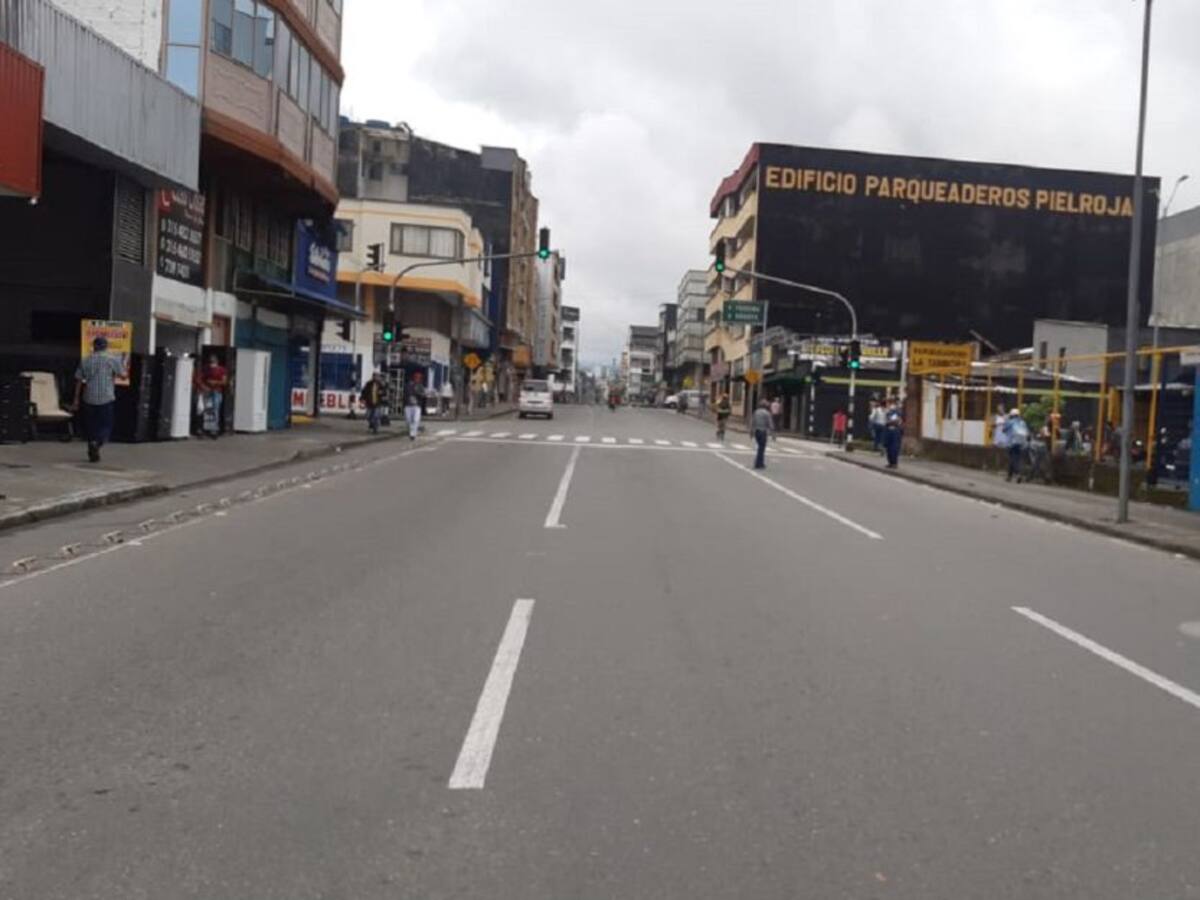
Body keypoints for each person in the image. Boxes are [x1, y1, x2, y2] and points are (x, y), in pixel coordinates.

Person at [71, 336, 126, 463]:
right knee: (106, 425)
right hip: (106, 397)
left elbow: (79, 380)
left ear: (94, 347)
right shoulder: (112, 360)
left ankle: (92, 442)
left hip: (89, 397)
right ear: (106, 346)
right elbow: (123, 375)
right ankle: (97, 443)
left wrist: (76, 399)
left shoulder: (85, 360)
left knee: (91, 425)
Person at [196, 354, 228, 438]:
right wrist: (204, 387)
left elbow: (224, 382)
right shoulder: (205, 369)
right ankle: (204, 428)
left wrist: (215, 382)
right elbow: (199, 379)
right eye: (210, 361)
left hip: (217, 391)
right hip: (207, 391)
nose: (212, 363)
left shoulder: (222, 370)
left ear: (217, 361)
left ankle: (213, 429)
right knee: (206, 409)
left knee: (215, 410)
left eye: (213, 361)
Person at [1001, 408, 1030, 482]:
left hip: (1012, 443)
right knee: (1016, 458)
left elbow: (1003, 430)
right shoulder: (1023, 422)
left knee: (1013, 459)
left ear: (1011, 415)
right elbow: (1027, 432)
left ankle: (1018, 473)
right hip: (1021, 443)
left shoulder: (1010, 422)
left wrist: (1006, 420)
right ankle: (1009, 476)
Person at [751, 399, 773, 469]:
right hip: (763, 432)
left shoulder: (756, 412)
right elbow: (770, 424)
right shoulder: (767, 413)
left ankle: (759, 462)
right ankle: (759, 463)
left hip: (757, 431)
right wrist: (773, 432)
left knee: (759, 447)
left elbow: (753, 422)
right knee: (761, 448)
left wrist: (751, 432)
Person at [403, 371, 425, 440]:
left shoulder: (420, 386)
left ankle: (413, 434)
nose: (417, 379)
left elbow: (423, 395)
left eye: (419, 378)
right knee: (408, 420)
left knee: (415, 420)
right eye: (416, 377)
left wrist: (417, 392)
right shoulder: (408, 385)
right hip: (408, 405)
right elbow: (405, 393)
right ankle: (411, 431)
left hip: (417, 406)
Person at [883, 398, 904, 469]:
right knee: (888, 447)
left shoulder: (896, 411)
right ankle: (890, 463)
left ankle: (894, 463)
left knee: (894, 447)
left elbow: (895, 421)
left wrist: (888, 422)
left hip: (894, 431)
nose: (888, 405)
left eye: (889, 403)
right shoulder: (888, 411)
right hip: (888, 430)